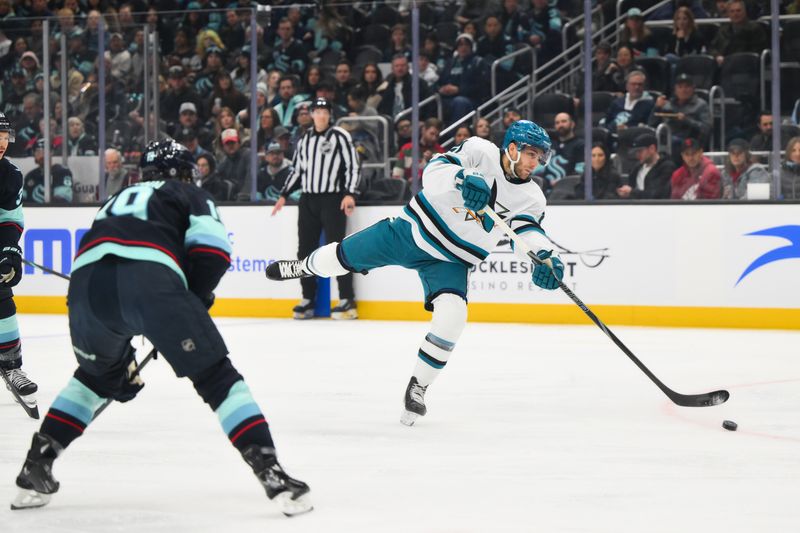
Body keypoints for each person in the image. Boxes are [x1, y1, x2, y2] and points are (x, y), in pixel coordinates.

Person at [9, 140, 312, 515]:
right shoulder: (189, 194)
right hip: (150, 284)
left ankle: (34, 467)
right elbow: (213, 252)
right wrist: (194, 297)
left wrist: (120, 362)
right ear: (184, 172)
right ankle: (271, 473)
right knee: (217, 376)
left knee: (94, 378)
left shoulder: (117, 198)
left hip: (86, 289)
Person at [265, 120, 564, 426]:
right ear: (512, 149)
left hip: (452, 261)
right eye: (531, 154)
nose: (535, 162)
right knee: (344, 255)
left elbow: (526, 232)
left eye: (540, 157)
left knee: (453, 316)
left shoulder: (532, 197)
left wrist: (545, 257)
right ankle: (302, 268)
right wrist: (462, 179)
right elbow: (433, 172)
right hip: (411, 232)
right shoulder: (480, 151)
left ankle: (418, 386)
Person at [271, 97, 360, 320]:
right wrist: (283, 195)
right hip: (308, 200)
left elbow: (353, 165)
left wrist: (349, 193)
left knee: (337, 249)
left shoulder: (340, 136)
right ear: (311, 114)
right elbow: (297, 171)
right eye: (317, 111)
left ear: (329, 114)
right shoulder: (304, 139)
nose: (321, 114)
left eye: (324, 111)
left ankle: (347, 299)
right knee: (305, 251)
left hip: (333, 199)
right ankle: (308, 298)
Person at [0, 113, 38, 408]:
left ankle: (12, 365)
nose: (1, 143)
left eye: (4, 136)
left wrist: (9, 250)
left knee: (1, 293)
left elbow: (10, 218)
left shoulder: (9, 174)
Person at [648, 73, 711, 154]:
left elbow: (706, 129)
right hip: (666, 137)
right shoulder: (668, 104)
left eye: (687, 87)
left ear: (693, 88)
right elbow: (651, 123)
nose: (683, 90)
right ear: (675, 89)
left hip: (689, 140)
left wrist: (687, 120)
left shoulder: (701, 105)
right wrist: (657, 107)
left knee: (673, 142)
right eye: (680, 87)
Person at [617, 132, 675, 199]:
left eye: (640, 151)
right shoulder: (637, 168)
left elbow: (658, 194)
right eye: (636, 152)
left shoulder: (667, 167)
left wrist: (632, 192)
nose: (637, 155)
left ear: (652, 148)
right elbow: (631, 186)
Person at [22, 138, 73, 203]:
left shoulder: (62, 172)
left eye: (44, 151)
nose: (41, 154)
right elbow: (21, 200)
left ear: (51, 152)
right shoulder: (31, 175)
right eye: (38, 151)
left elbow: (63, 200)